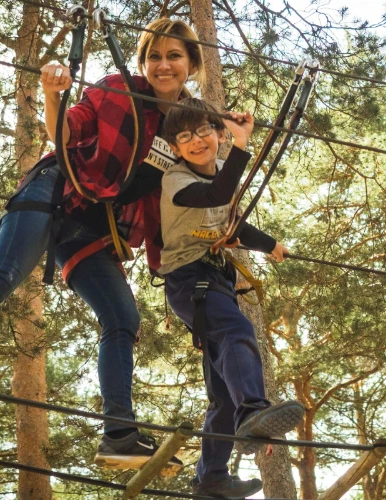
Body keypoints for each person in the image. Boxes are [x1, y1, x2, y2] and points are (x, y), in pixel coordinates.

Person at [0, 18, 204, 470]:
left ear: (191, 64)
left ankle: (119, 434)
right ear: (143, 62)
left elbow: (188, 195)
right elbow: (64, 134)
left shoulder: (188, 126)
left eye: (174, 56)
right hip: (58, 189)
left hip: (98, 225)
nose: (164, 65)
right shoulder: (116, 89)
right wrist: (52, 94)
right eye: (154, 56)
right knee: (1, 277)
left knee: (123, 317)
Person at [158, 98, 306, 498]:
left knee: (223, 391)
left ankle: (212, 477)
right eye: (185, 137)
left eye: (204, 130)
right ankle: (254, 411)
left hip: (215, 278)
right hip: (189, 279)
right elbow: (215, 196)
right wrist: (242, 144)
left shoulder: (224, 170)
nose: (196, 141)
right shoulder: (176, 179)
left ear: (217, 133)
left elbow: (231, 222)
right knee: (237, 330)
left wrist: (269, 243)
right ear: (175, 148)